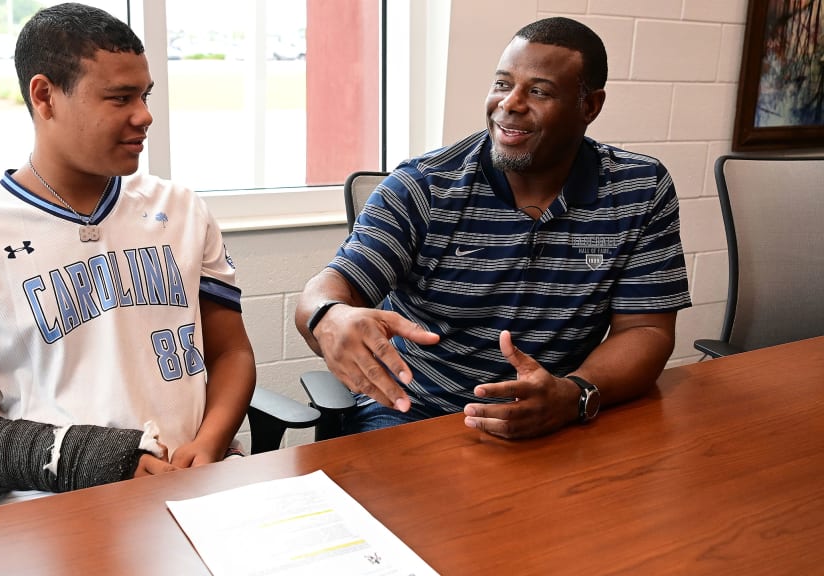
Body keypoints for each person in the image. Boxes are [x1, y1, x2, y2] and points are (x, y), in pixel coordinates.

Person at [0, 2, 256, 500]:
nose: (144, 116)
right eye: (120, 98)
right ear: (45, 97)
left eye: (144, 95)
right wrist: (88, 460)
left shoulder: (182, 209)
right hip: (58, 510)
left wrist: (209, 444)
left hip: (195, 487)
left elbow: (231, 351)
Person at [295, 17, 691, 440]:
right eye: (503, 84)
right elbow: (327, 291)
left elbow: (646, 331)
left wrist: (572, 395)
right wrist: (328, 315)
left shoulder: (639, 189)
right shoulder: (424, 186)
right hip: (417, 413)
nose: (510, 104)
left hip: (556, 417)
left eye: (538, 91)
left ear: (589, 106)